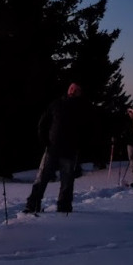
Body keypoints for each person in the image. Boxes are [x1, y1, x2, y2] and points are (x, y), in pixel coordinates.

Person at [22, 82, 91, 214]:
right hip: (52, 149)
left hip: (70, 152)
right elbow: (43, 123)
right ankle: (32, 204)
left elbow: (87, 130)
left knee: (67, 182)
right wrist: (45, 141)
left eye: (76, 89)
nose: (72, 91)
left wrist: (79, 147)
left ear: (80, 92)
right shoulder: (57, 104)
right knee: (41, 178)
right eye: (71, 88)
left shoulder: (83, 108)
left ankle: (64, 206)